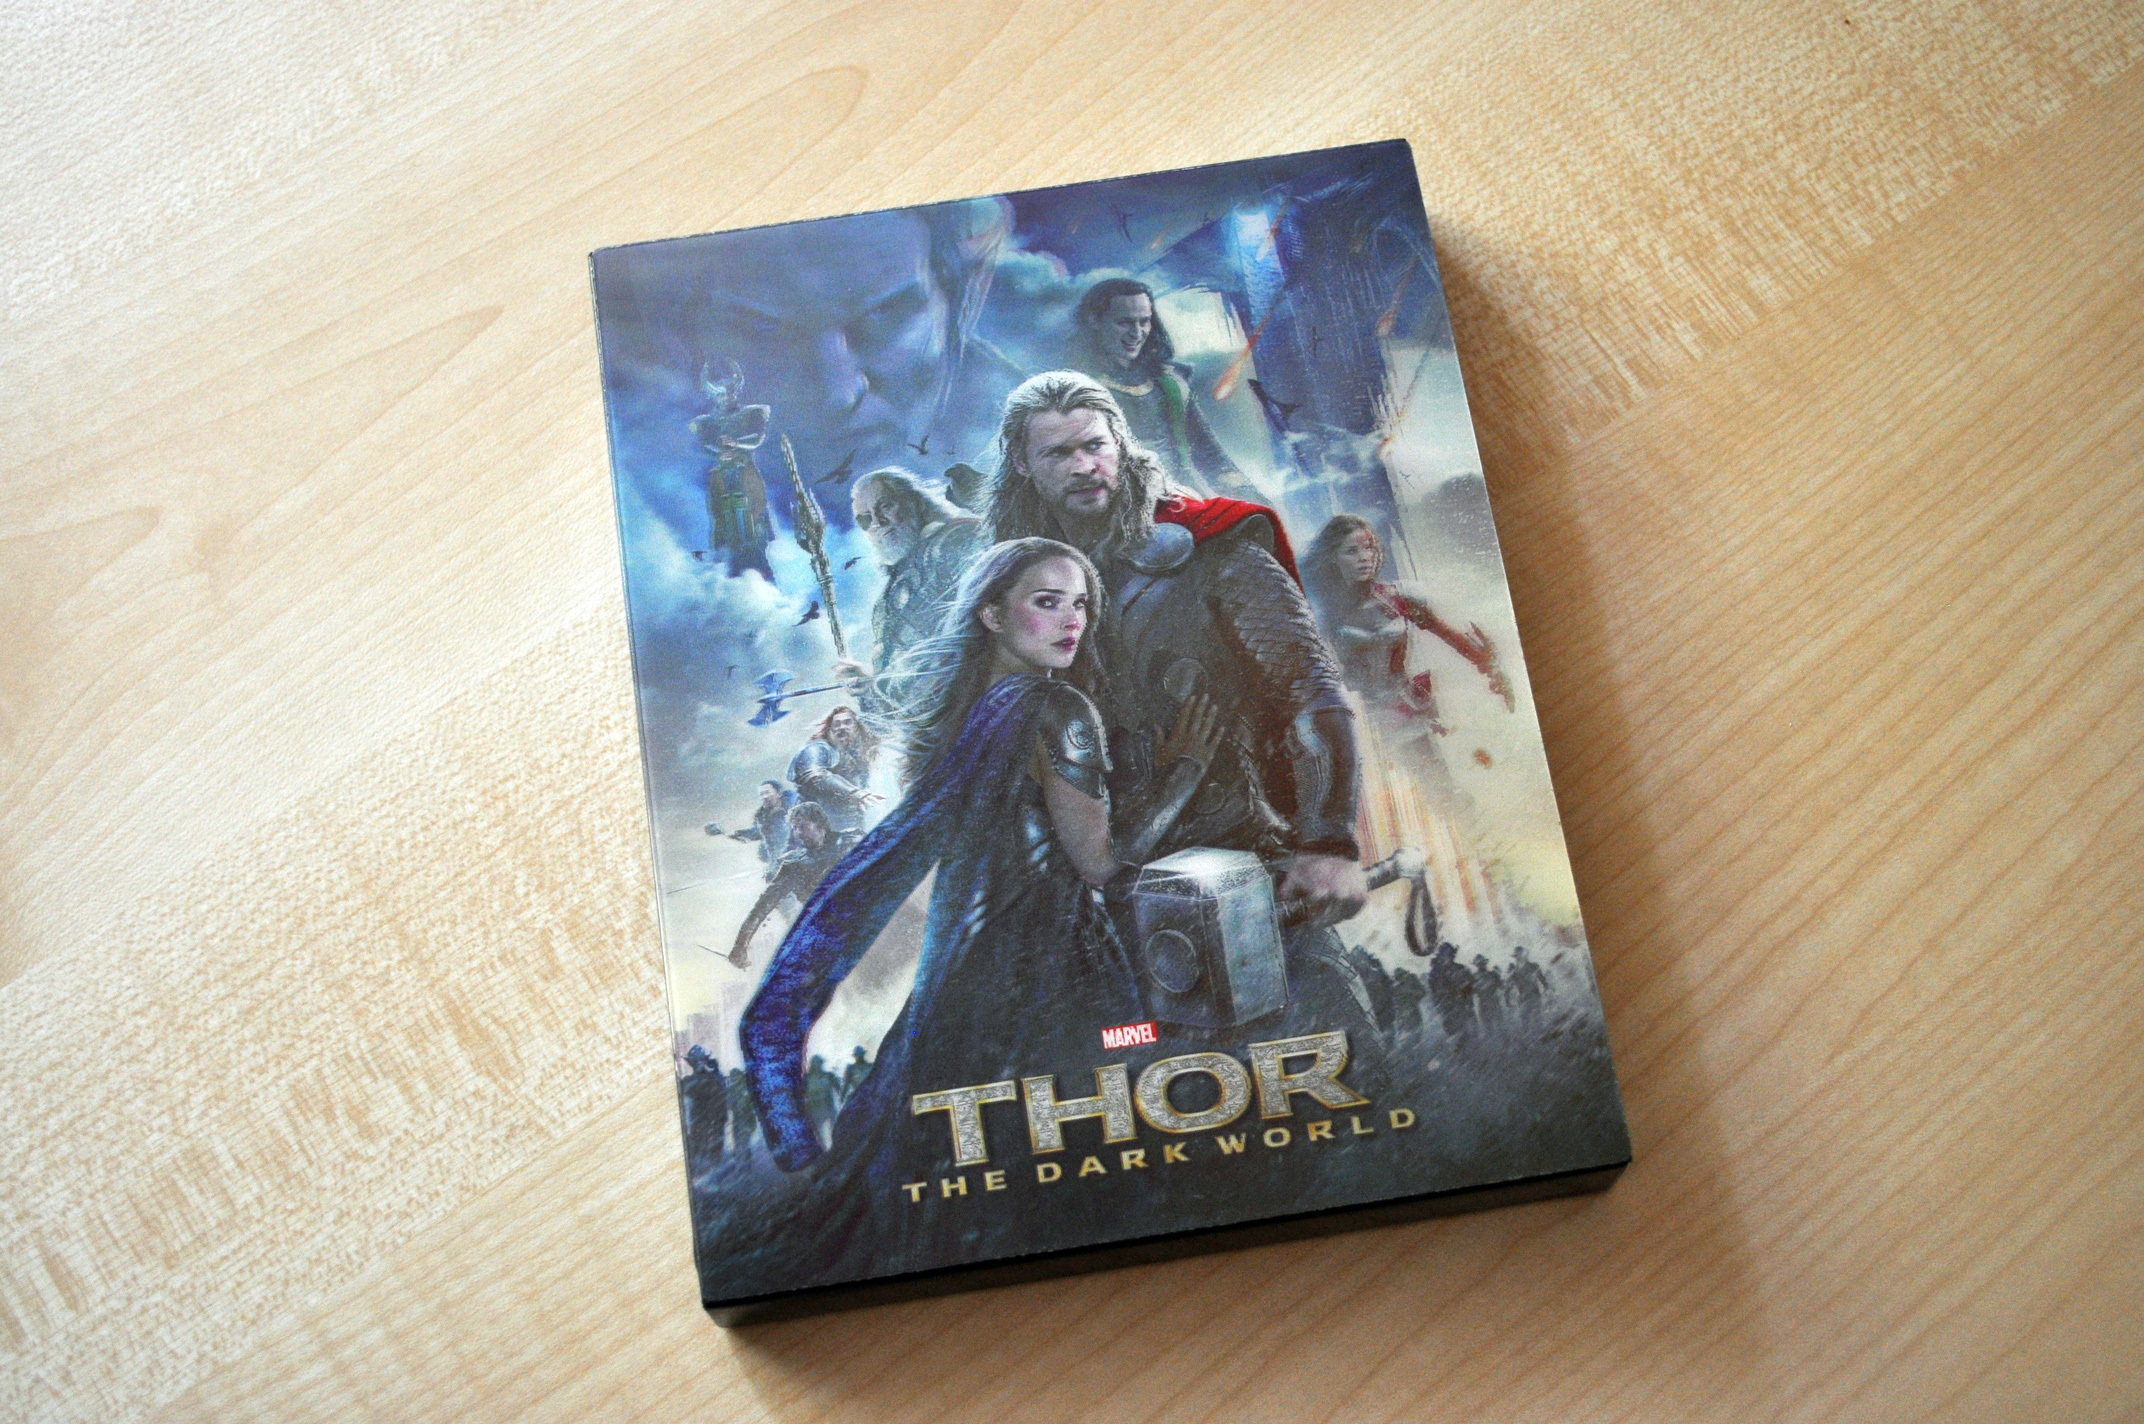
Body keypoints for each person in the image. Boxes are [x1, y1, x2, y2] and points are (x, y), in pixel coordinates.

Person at [736, 538, 1218, 1287]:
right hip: (1056, 963)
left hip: (967, 974)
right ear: (993, 613)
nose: (1072, 621)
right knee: (1099, 1143)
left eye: (1081, 604)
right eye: (1047, 602)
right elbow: (1103, 867)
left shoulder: (975, 717)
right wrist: (1186, 771)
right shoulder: (1059, 708)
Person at [985, 371, 1379, 1058]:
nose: (1083, 466)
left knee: (1339, 1066)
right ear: (1023, 462)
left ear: (1119, 442)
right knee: (1137, 1082)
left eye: (1094, 445)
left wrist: (1328, 842)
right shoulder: (1009, 584)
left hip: (1245, 866)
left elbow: (1307, 686)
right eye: (1058, 453)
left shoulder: (1212, 548)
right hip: (1101, 903)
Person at [1301, 515, 1513, 733]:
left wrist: (1491, 669)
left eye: (1369, 548)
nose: (1364, 557)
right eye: (1351, 551)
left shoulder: (1397, 597)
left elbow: (1448, 634)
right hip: (1358, 720)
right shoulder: (1321, 612)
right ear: (1333, 558)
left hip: (1410, 710)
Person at [1065, 278, 1253, 501]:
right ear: (1095, 321)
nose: (1137, 333)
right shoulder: (1075, 394)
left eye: (1144, 322)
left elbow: (1209, 455)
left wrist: (1250, 497)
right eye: (1124, 322)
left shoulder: (1170, 384)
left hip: (1186, 499)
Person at [836, 468, 990, 715]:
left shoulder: (958, 540)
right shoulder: (890, 594)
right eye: (865, 519)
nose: (878, 522)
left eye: (885, 506)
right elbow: (896, 691)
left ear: (914, 501)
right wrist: (870, 686)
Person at [728, 802, 843, 967]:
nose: (798, 832)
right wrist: (740, 945)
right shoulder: (794, 864)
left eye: (803, 826)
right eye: (794, 828)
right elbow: (763, 905)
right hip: (826, 928)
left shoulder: (851, 840)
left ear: (820, 824)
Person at [787, 705, 881, 851]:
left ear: (857, 727)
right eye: (837, 724)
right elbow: (815, 775)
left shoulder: (857, 753)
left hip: (849, 825)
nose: (842, 727)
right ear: (830, 728)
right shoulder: (818, 749)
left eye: (847, 723)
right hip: (813, 829)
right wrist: (856, 793)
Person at [716, 780, 796, 873]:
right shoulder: (761, 816)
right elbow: (756, 833)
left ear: (779, 793)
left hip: (798, 855)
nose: (764, 797)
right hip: (779, 860)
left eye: (767, 792)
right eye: (761, 794)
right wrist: (734, 833)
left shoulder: (796, 806)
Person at [725, 1067, 760, 1160]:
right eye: (733, 1076)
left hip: (746, 1117)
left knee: (744, 1138)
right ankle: (740, 1154)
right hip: (738, 1118)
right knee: (738, 1137)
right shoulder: (732, 1088)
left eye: (735, 1076)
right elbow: (729, 1104)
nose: (734, 1078)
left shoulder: (746, 1085)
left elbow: (751, 1101)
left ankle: (744, 1155)